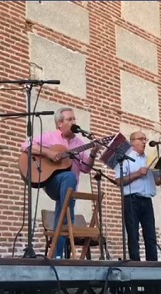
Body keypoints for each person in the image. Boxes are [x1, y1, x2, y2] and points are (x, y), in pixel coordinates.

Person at [21, 107, 100, 258]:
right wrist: (49, 152)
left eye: (74, 119)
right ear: (59, 124)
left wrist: (94, 153)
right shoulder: (50, 137)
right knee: (70, 177)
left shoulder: (80, 142)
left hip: (69, 189)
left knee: (64, 210)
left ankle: (58, 255)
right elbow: (25, 145)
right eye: (69, 119)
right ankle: (60, 250)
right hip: (51, 182)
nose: (74, 121)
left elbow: (85, 168)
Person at [114, 131, 161, 261]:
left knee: (150, 235)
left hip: (147, 200)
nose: (144, 142)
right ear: (132, 142)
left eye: (145, 139)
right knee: (133, 234)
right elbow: (118, 181)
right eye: (141, 139)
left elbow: (157, 181)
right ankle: (135, 263)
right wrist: (137, 174)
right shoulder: (124, 158)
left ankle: (153, 264)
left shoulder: (149, 159)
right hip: (131, 200)